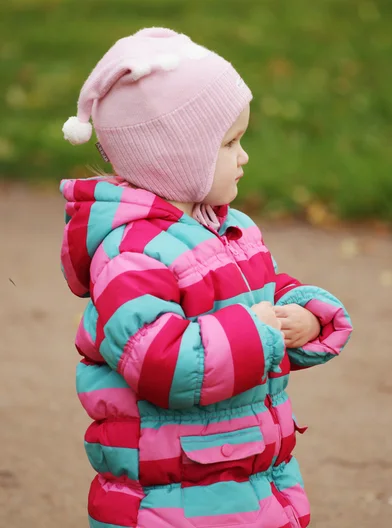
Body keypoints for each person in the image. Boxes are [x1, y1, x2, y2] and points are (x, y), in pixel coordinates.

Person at [59, 27, 352, 528]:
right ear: (174, 157)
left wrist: (300, 311)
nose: (244, 157)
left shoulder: (222, 227)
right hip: (172, 495)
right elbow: (157, 358)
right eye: (230, 142)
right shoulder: (131, 253)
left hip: (241, 473)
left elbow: (255, 289)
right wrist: (260, 333)